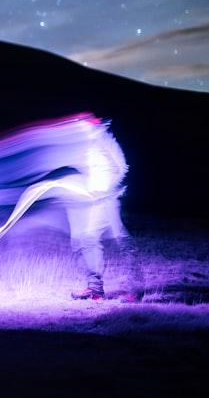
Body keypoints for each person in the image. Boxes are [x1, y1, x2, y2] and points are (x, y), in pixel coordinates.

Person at [65, 120, 143, 302]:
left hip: (110, 198)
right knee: (89, 239)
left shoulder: (103, 138)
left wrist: (107, 191)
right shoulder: (84, 146)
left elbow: (123, 166)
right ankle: (95, 289)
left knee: (122, 240)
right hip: (98, 200)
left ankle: (136, 290)